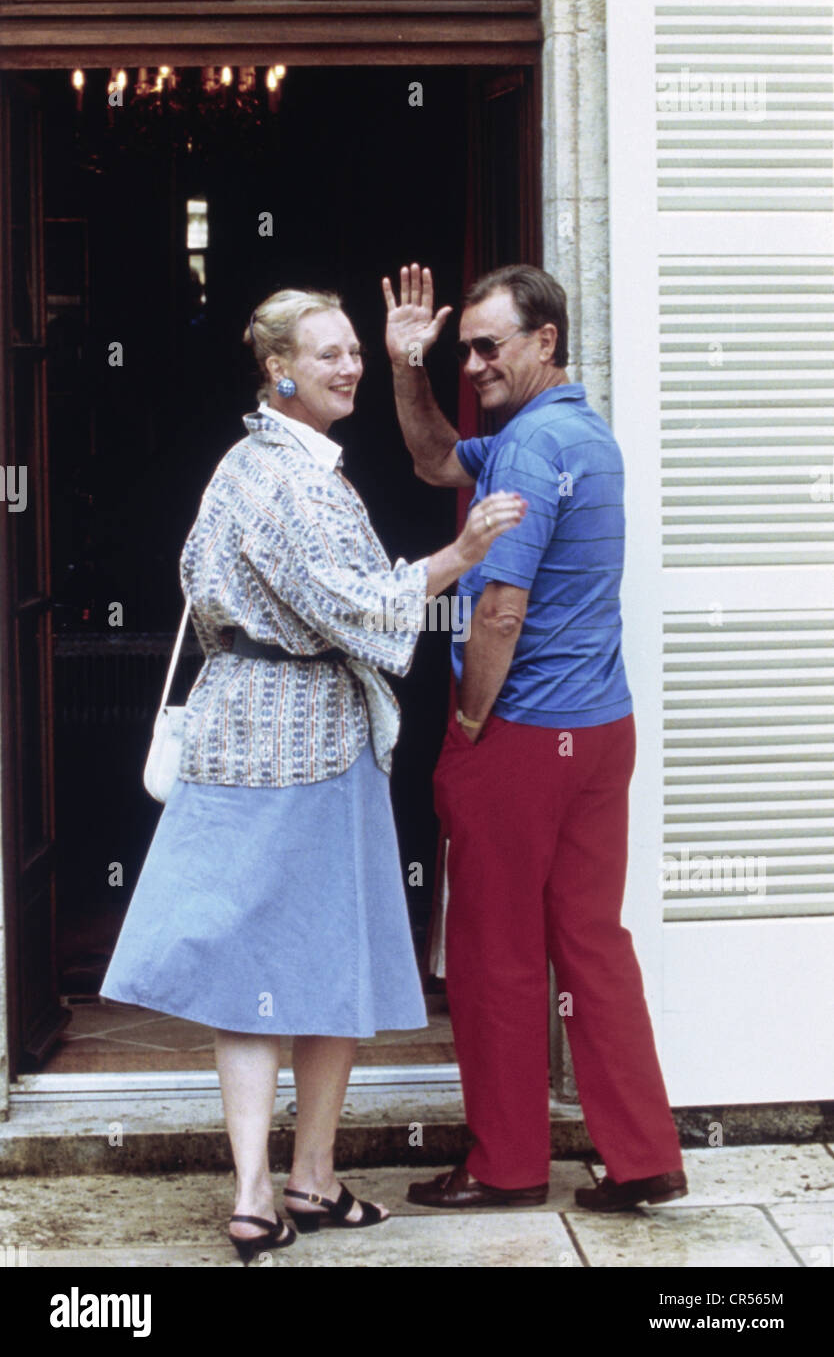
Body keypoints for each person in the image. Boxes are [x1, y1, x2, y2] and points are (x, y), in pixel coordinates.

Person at [100, 286, 526, 1261]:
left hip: (237, 732)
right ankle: (284, 1180)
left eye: (353, 353)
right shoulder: (290, 479)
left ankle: (291, 1181)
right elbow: (353, 601)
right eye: (327, 354)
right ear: (278, 370)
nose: (349, 368)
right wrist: (459, 554)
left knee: (261, 970)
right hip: (309, 741)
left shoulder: (244, 465)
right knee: (321, 959)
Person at [382, 262, 687, 1212]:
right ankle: (644, 1157)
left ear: (544, 340)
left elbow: (500, 613)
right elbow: (437, 460)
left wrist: (470, 722)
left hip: (523, 735)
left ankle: (507, 1165)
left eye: (488, 345)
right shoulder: (579, 435)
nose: (472, 364)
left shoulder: (525, 450)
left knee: (493, 951)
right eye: (464, 347)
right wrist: (407, 367)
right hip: (602, 732)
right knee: (593, 941)